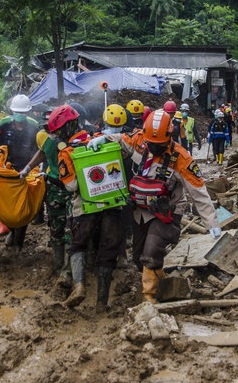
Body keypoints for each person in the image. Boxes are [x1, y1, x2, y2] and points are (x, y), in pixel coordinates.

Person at [90, 110, 220, 303]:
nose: (153, 148)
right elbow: (121, 138)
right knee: (138, 257)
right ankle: (163, 285)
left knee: (151, 251)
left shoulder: (181, 158)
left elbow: (198, 192)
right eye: (151, 144)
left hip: (167, 211)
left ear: (169, 136)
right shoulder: (141, 141)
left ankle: (149, 299)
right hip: (141, 210)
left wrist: (212, 224)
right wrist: (103, 139)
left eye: (158, 145)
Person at [51, 104, 125, 311]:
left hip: (84, 207)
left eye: (57, 132)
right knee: (108, 252)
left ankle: (79, 287)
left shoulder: (67, 151)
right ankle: (102, 302)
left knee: (78, 245)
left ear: (65, 129)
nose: (56, 136)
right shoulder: (102, 138)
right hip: (113, 204)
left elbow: (71, 185)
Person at [18, 128, 70, 288]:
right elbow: (41, 152)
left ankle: (67, 270)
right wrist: (27, 168)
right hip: (54, 187)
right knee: (56, 227)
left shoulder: (76, 140)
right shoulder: (47, 139)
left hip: (73, 188)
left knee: (72, 230)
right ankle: (58, 265)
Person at [0, 93, 41, 249]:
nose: (19, 116)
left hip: (27, 169)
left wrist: (33, 167)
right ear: (12, 111)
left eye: (23, 113)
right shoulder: (4, 125)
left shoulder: (34, 126)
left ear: (27, 112)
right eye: (17, 112)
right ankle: (12, 231)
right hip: (7, 171)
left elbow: (39, 148)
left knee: (24, 206)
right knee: (9, 205)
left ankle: (18, 242)